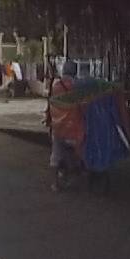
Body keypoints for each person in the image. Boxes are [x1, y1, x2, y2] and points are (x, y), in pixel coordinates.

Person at [46, 60, 84, 191]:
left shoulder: (56, 86)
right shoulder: (77, 86)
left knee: (56, 155)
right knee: (77, 153)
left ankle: (54, 183)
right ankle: (73, 177)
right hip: (73, 126)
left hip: (58, 126)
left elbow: (52, 103)